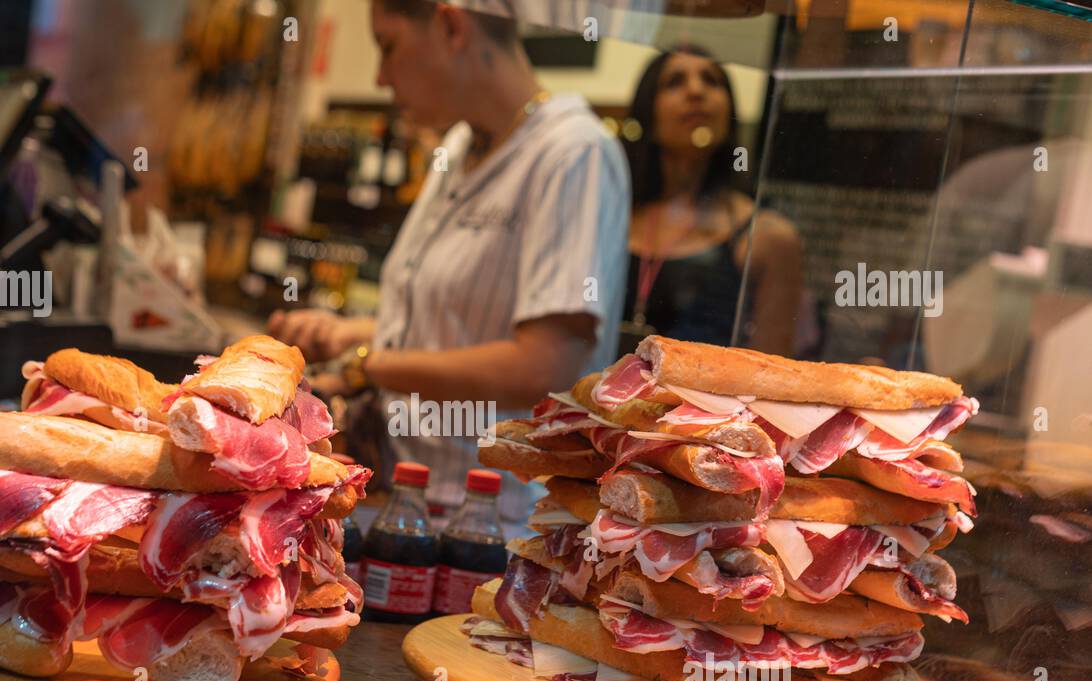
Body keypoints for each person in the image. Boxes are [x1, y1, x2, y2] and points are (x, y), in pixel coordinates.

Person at [269, 0, 628, 522]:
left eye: (388, 46)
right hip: (406, 495)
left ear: (451, 25)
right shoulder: (459, 146)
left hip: (488, 522)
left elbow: (546, 363)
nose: (382, 76)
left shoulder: (572, 153)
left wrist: (370, 364)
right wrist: (354, 331)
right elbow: (466, 320)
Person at [619, 46, 801, 356]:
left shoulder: (768, 238)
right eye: (674, 81)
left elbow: (771, 374)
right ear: (647, 108)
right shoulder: (611, 215)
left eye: (712, 80)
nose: (696, 91)